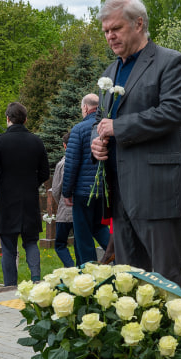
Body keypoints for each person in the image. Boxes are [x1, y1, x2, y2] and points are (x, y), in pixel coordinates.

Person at [89, 0, 181, 289]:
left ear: (138, 23)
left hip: (157, 190)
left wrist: (117, 127)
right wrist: (97, 141)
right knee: (129, 280)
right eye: (106, 31)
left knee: (165, 278)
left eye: (116, 28)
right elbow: (102, 121)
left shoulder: (170, 62)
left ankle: (175, 334)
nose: (110, 36)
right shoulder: (111, 71)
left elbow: (172, 112)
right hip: (120, 194)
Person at [0, 101, 49, 286]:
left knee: (8, 247)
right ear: (25, 119)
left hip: (7, 200)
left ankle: (10, 285)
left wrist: (2, 185)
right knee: (31, 242)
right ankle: (36, 279)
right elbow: (45, 173)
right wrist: (32, 184)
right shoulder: (36, 141)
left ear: (8, 119)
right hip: (29, 198)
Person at [62, 93, 110, 265]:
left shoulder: (78, 130)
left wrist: (66, 192)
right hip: (104, 190)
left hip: (83, 191)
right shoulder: (107, 127)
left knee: (83, 235)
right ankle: (118, 255)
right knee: (99, 226)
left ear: (85, 108)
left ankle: (88, 271)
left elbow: (71, 164)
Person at [49, 133, 74, 267]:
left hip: (65, 210)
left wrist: (61, 202)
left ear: (64, 146)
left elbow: (56, 189)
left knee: (59, 244)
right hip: (80, 209)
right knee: (79, 242)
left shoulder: (62, 164)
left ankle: (71, 266)